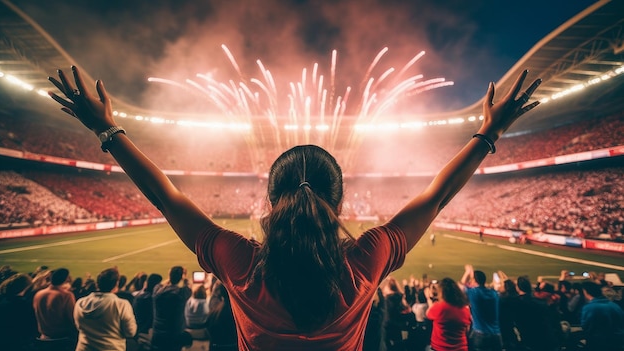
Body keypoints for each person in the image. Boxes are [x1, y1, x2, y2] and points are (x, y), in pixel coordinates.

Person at [48, 66, 541, 350]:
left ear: (269, 199)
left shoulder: (241, 262)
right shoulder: (363, 260)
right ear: (340, 199)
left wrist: (107, 132)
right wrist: (488, 134)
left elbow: (167, 198)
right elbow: (435, 197)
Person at [73, 267, 137, 351]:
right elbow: (130, 332)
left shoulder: (80, 303)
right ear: (116, 284)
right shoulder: (121, 304)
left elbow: (78, 326)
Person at [32, 267, 78, 349]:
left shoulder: (38, 294)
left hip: (43, 338)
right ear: (65, 280)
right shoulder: (66, 295)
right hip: (62, 339)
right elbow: (72, 318)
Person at [460, 265, 503, 351]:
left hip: (480, 334)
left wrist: (468, 272)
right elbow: (497, 288)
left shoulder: (474, 293)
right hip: (496, 335)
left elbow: (461, 285)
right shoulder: (494, 294)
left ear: (474, 280)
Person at [151, 266, 192, 351]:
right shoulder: (180, 294)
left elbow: (162, 284)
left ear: (169, 276)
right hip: (174, 333)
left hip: (157, 332)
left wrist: (170, 278)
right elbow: (188, 286)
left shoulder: (156, 291)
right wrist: (184, 278)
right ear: (181, 277)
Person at [425, 277, 471, 351]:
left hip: (440, 348)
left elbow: (428, 313)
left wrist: (428, 298)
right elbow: (467, 330)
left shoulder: (440, 307)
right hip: (461, 348)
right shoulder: (466, 309)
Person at [580, 281, 624, 351]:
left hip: (599, 344)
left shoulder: (589, 307)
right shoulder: (615, 306)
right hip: (617, 342)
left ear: (585, 292)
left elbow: (586, 326)